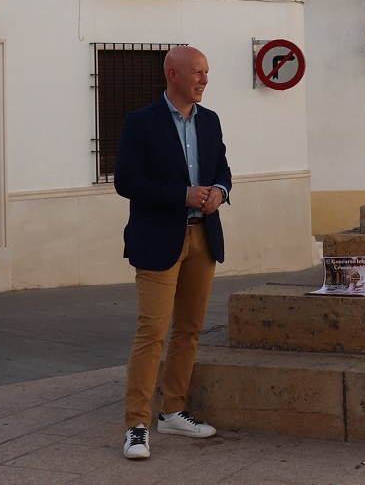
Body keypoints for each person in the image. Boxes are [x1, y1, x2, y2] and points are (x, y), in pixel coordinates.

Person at [114, 45, 231, 461]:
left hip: (203, 239)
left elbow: (222, 168)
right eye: (197, 72)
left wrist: (219, 191)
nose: (204, 79)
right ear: (173, 74)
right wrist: (181, 194)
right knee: (152, 333)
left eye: (206, 72)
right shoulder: (141, 123)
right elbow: (126, 180)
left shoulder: (210, 121)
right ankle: (136, 425)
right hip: (158, 240)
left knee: (189, 330)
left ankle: (174, 410)